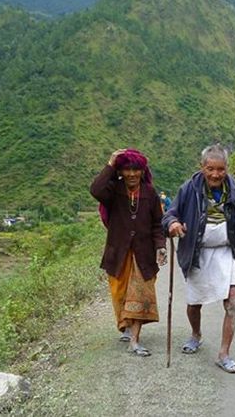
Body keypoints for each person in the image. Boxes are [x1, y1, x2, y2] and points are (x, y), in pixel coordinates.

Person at [162, 144, 235, 374]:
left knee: (232, 301)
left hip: (226, 252)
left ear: (227, 169)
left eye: (220, 169)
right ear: (202, 167)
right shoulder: (188, 189)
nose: (215, 174)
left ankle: (224, 354)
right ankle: (196, 334)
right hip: (196, 252)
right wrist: (172, 224)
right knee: (194, 303)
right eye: (210, 168)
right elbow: (171, 213)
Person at [90, 148, 167, 357]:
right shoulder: (113, 190)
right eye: (127, 169)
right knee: (119, 293)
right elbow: (95, 190)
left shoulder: (150, 193)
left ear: (143, 171)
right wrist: (111, 162)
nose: (132, 174)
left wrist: (160, 246)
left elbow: (157, 225)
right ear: (121, 170)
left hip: (143, 254)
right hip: (118, 252)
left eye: (137, 169)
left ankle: (135, 339)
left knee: (140, 293)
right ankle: (124, 324)